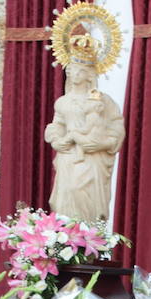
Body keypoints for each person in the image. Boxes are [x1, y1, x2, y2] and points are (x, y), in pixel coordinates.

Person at [45, 58, 125, 221]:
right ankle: (65, 240)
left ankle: (90, 239)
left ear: (89, 75)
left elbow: (116, 127)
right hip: (68, 157)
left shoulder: (102, 101)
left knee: (85, 196)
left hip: (92, 158)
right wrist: (56, 140)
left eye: (79, 70)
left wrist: (103, 143)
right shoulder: (63, 102)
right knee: (66, 196)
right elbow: (57, 125)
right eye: (71, 70)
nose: (73, 73)